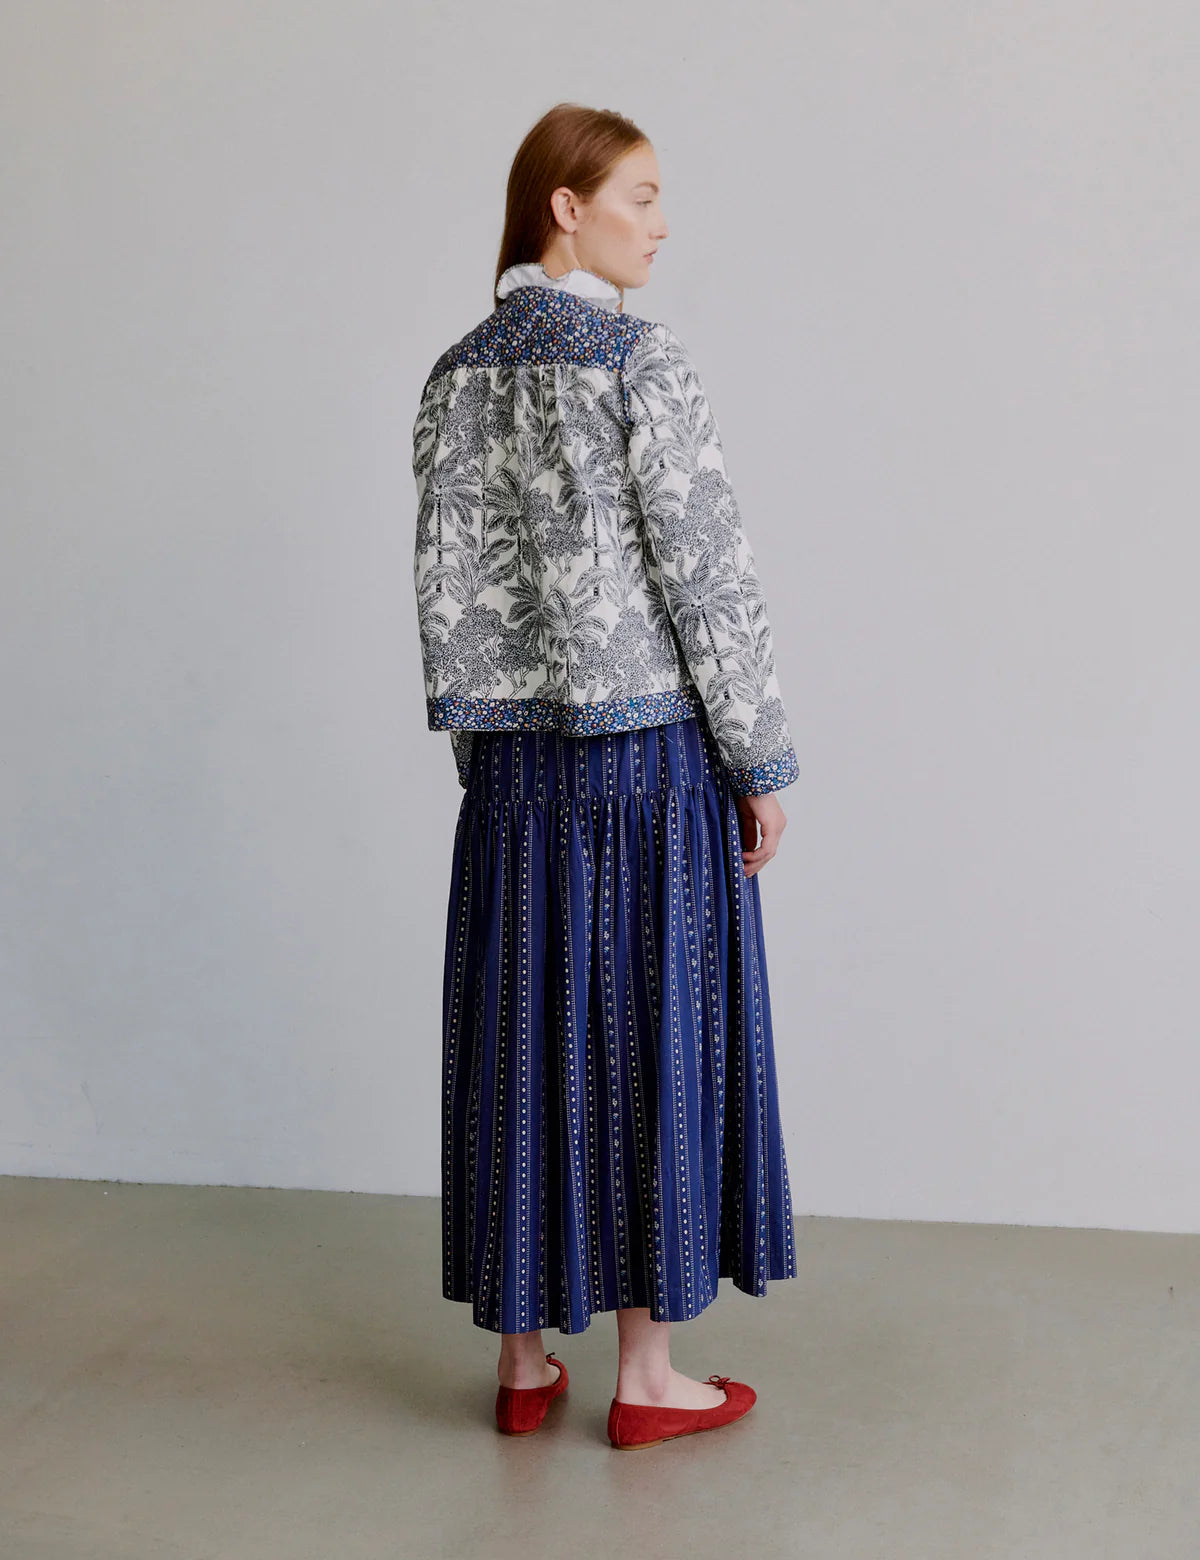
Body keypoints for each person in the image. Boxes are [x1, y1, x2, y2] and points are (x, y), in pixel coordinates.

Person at [411, 102, 800, 1450]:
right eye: (641, 195)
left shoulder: (455, 375)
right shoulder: (641, 363)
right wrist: (757, 758)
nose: (662, 223)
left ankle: (523, 1366)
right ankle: (647, 1378)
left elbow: (445, 594)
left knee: (522, 1039)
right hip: (649, 772)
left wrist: (489, 755)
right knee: (652, 1041)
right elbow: (709, 574)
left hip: (512, 779)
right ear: (565, 208)